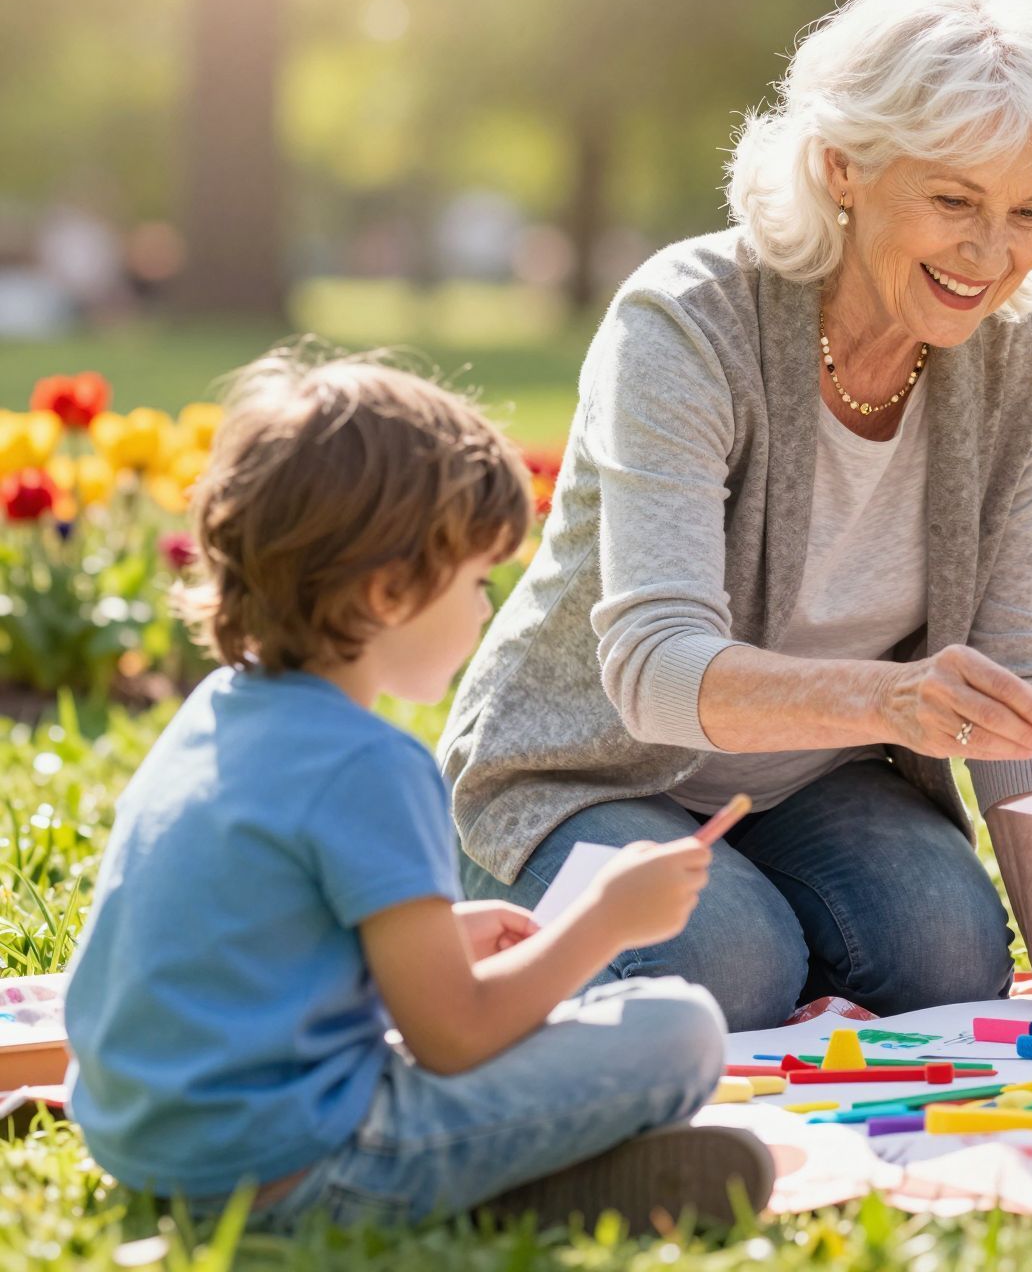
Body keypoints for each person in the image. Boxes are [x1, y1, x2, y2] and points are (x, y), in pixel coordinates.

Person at [441, 0, 1032, 1031]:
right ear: (840, 167)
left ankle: (772, 924)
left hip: (806, 783)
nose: (991, 254)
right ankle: (510, 876)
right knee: (726, 968)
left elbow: (1018, 653)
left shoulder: (1019, 347)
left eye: (1030, 211)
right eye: (953, 200)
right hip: (587, 773)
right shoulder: (685, 322)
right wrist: (887, 701)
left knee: (952, 956)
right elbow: (652, 669)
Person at [63, 351, 768, 1232]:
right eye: (476, 582)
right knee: (678, 1027)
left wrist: (440, 935)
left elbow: (257, 935)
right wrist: (607, 923)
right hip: (295, 1169)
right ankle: (508, 1195)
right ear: (389, 591)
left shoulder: (220, 710)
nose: (484, 609)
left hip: (141, 1142)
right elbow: (456, 1035)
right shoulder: (372, 764)